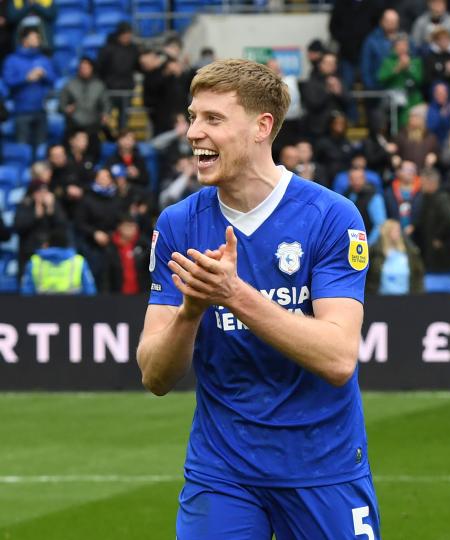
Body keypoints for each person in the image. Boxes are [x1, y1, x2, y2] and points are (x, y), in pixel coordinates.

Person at [136, 59, 379, 539]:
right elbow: (154, 375)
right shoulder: (177, 225)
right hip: (222, 471)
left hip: (322, 467)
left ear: (261, 127)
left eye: (213, 119)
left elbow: (337, 358)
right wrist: (191, 311)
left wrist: (232, 294)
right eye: (192, 116)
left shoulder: (331, 217)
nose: (192, 132)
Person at [20, 229, 97, 295]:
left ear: (48, 244)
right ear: (67, 244)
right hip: (72, 308)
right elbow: (90, 291)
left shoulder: (34, 261)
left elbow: (26, 291)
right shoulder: (78, 261)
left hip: (41, 308)